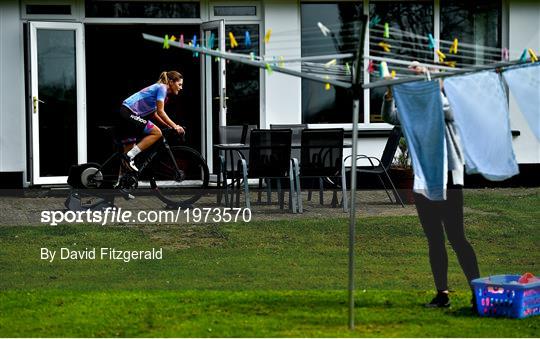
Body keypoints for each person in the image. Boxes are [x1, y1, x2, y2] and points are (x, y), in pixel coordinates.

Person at [381, 61, 480, 310]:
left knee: (457, 238)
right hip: (424, 180)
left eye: (426, 78)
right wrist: (390, 93)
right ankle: (442, 294)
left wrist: (431, 84)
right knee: (434, 239)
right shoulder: (415, 110)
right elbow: (389, 116)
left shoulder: (449, 104)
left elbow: (442, 108)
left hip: (448, 179)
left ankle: (477, 291)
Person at [118, 71, 185, 172]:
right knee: (157, 133)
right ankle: (129, 156)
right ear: (171, 82)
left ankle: (120, 182)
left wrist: (169, 126)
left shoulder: (163, 93)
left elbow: (155, 114)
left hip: (128, 114)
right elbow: (161, 111)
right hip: (128, 112)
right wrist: (175, 126)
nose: (181, 87)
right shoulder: (162, 88)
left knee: (127, 156)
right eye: (179, 84)